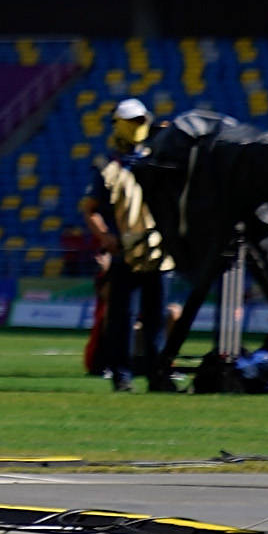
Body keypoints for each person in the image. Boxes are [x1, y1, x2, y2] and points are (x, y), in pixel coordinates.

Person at [84, 99, 176, 392]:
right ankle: (122, 375)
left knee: (155, 319)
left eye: (141, 120)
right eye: (132, 121)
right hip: (125, 254)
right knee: (123, 319)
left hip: (159, 253)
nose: (138, 126)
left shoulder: (160, 160)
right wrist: (104, 236)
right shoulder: (109, 168)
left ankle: (156, 375)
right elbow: (90, 207)